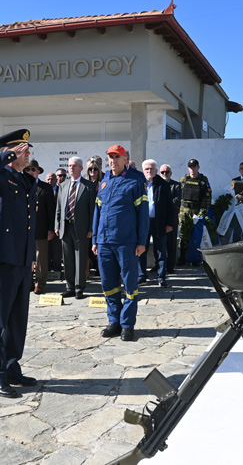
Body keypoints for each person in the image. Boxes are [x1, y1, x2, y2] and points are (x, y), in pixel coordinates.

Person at [0, 128, 39, 398]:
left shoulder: (26, 180)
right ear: (11, 152)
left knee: (17, 320)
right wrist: (9, 155)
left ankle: (11, 366)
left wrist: (31, 257)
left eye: (28, 150)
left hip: (22, 259)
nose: (28, 154)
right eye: (23, 150)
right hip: (2, 258)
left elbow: (28, 223)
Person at [93, 145, 149, 342]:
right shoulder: (105, 181)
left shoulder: (136, 180)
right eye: (111, 157)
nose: (113, 160)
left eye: (117, 157)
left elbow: (143, 214)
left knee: (130, 285)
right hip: (104, 242)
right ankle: (114, 322)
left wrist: (142, 241)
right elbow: (97, 211)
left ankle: (127, 324)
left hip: (126, 242)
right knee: (108, 285)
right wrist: (95, 239)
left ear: (125, 160)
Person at [54, 156, 96, 299]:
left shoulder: (88, 186)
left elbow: (92, 210)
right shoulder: (63, 185)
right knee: (67, 259)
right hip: (65, 226)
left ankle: (79, 288)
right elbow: (59, 208)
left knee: (80, 259)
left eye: (74, 165)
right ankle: (70, 287)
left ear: (81, 168)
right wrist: (57, 225)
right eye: (69, 165)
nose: (71, 168)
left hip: (81, 228)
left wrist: (91, 228)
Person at [139, 159, 174, 288]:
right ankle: (141, 276)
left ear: (156, 170)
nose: (149, 171)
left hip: (159, 222)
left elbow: (170, 206)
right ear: (143, 171)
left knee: (160, 251)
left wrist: (169, 223)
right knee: (141, 249)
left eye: (151, 169)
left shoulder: (162, 184)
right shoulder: (138, 183)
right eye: (147, 169)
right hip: (143, 223)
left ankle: (161, 277)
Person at [27, 159, 55, 294]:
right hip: (25, 229)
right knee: (27, 256)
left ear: (38, 171)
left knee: (40, 258)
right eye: (28, 169)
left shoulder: (45, 188)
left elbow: (51, 210)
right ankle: (28, 281)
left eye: (33, 169)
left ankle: (40, 282)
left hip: (41, 228)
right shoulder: (22, 186)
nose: (31, 172)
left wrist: (51, 229)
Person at [178, 159, 212, 266]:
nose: (192, 169)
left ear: (198, 167)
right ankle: (182, 257)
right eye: (190, 167)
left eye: (194, 166)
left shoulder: (203, 180)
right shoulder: (183, 180)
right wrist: (178, 211)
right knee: (183, 234)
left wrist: (202, 212)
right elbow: (178, 196)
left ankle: (195, 258)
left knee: (196, 235)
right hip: (184, 211)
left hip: (197, 211)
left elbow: (207, 198)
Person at [160, 164, 182, 274]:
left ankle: (170, 266)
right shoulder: (157, 185)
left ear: (171, 173)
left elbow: (177, 201)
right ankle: (159, 265)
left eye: (167, 172)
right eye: (162, 172)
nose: (165, 174)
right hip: (160, 219)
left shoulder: (176, 185)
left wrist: (163, 204)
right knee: (159, 244)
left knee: (171, 243)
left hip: (172, 219)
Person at [48, 170, 64, 274]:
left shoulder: (61, 190)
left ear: (56, 180)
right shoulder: (43, 190)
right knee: (47, 250)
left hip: (58, 224)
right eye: (48, 179)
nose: (50, 181)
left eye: (52, 179)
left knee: (57, 250)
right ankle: (48, 270)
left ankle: (57, 271)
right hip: (46, 225)